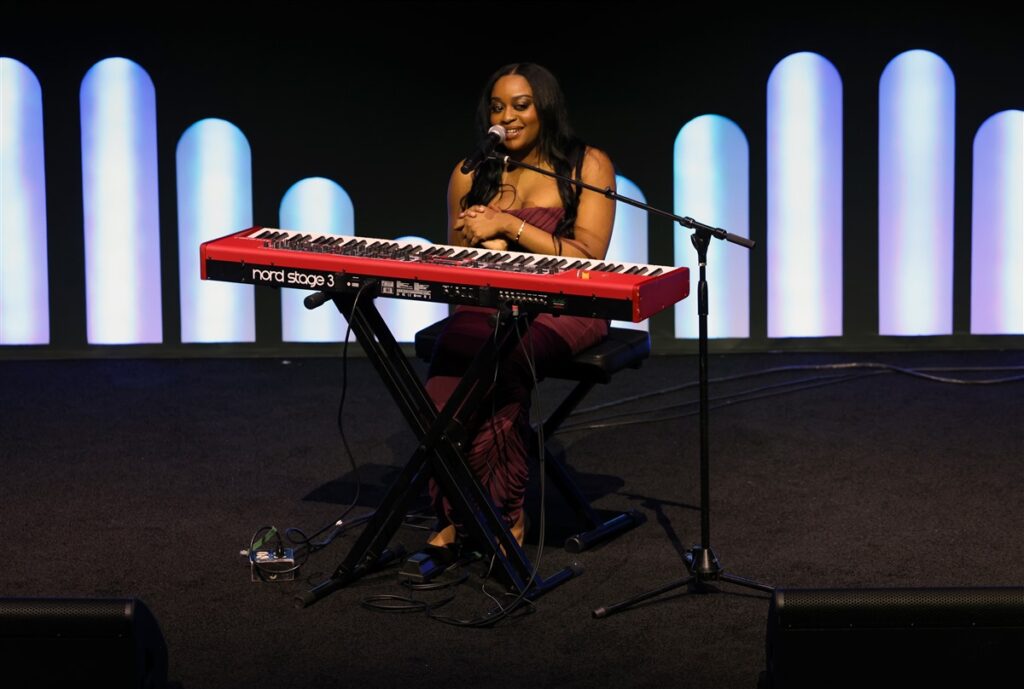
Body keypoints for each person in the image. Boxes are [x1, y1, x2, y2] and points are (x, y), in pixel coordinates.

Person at [425, 62, 616, 553]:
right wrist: (479, 243)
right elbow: (455, 267)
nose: (506, 116)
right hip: (488, 303)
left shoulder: (587, 165)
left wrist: (508, 227)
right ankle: (458, 507)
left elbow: (588, 258)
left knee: (504, 357)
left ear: (544, 108)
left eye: (520, 105)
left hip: (568, 306)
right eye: (497, 107)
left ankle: (504, 512)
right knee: (447, 370)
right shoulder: (470, 173)